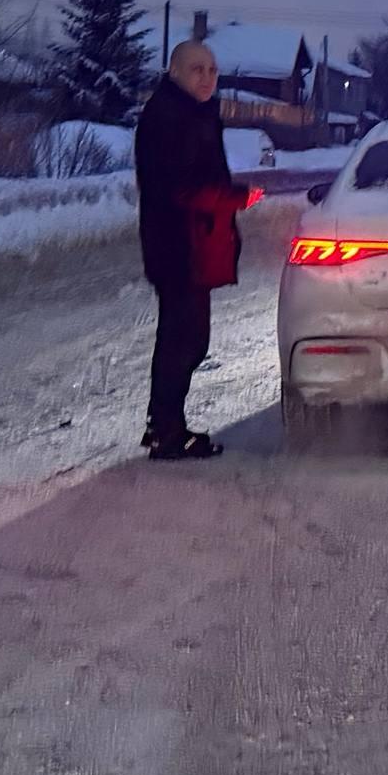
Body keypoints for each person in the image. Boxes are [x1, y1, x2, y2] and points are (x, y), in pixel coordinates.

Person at [134, 40, 253, 461]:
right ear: (175, 72)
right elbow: (178, 189)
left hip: (191, 245)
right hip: (177, 246)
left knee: (187, 339)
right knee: (183, 341)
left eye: (212, 70)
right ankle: (166, 432)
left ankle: (166, 427)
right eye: (197, 69)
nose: (207, 77)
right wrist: (236, 198)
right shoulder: (170, 117)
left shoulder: (193, 113)